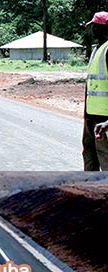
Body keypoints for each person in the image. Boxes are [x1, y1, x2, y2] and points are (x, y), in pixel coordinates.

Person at [83, 11, 108, 171]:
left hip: (104, 119)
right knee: (89, 156)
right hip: (91, 116)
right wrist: (86, 115)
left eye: (95, 26)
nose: (92, 29)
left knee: (105, 158)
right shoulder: (96, 49)